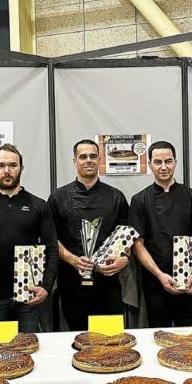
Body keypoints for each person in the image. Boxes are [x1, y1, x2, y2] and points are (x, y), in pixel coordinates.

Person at [0, 144, 59, 333]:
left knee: (29, 349)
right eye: (0, 166)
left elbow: (52, 249)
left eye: (12, 165)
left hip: (29, 293)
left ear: (21, 168)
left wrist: (46, 287)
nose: (7, 171)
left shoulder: (39, 206)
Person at [48, 139, 130, 331]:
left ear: (100, 160)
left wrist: (124, 259)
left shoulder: (116, 197)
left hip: (108, 283)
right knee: (78, 340)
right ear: (74, 161)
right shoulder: (58, 198)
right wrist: (73, 260)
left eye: (93, 156)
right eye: (83, 156)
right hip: (71, 283)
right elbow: (50, 239)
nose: (88, 160)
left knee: (111, 340)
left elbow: (126, 237)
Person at [129, 141, 192, 327]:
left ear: (175, 163)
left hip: (190, 283)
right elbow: (137, 245)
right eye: (157, 162)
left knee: (190, 340)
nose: (163, 167)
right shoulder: (139, 200)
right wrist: (159, 275)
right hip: (155, 282)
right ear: (150, 165)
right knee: (158, 337)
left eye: (168, 161)